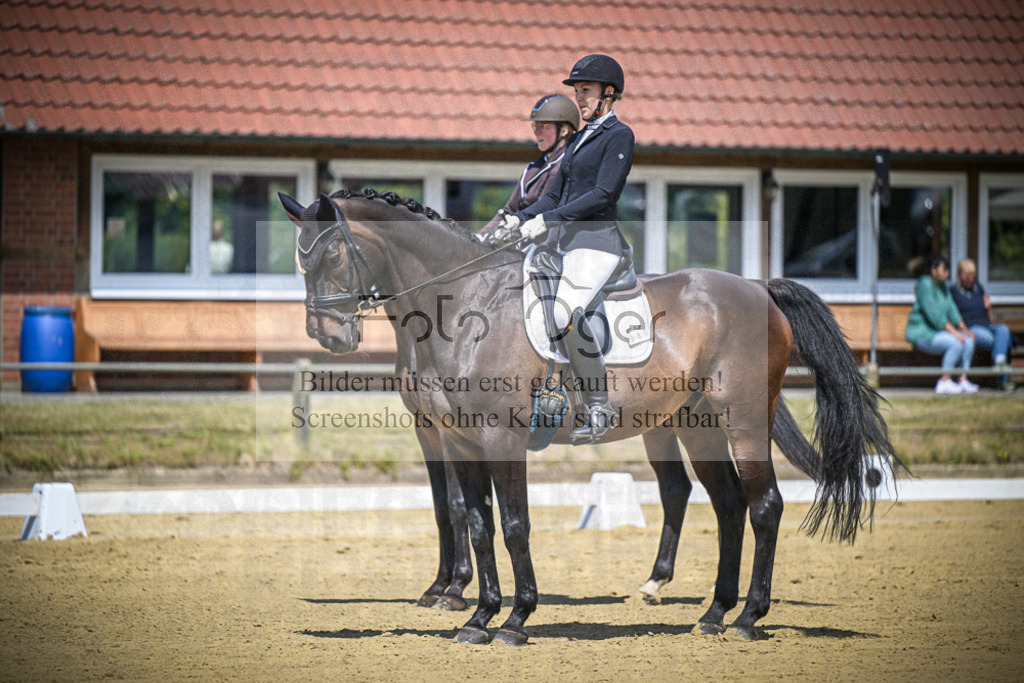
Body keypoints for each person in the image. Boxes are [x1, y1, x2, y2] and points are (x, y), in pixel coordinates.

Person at [498, 54, 635, 441]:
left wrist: (551, 220)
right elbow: (555, 195)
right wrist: (522, 218)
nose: (580, 99)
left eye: (586, 91)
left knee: (564, 314)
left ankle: (598, 407)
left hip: (598, 244)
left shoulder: (619, 136)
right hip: (565, 245)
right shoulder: (578, 140)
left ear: (609, 93)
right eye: (577, 92)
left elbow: (604, 193)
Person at [479, 94, 580, 238]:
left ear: (563, 131)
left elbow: (544, 211)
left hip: (552, 245)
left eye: (544, 126)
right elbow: (509, 210)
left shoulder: (565, 166)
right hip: (523, 244)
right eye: (535, 125)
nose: (536, 132)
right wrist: (480, 237)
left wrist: (509, 233)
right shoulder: (532, 168)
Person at [905, 255, 979, 394]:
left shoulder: (943, 287)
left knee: (968, 341)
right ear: (933, 270)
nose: (948, 273)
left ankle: (962, 380)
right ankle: (944, 381)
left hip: (937, 332)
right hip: (921, 333)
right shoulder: (925, 284)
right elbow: (935, 316)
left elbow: (952, 309)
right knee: (956, 342)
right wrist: (956, 333)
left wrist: (965, 330)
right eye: (944, 269)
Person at [951, 258, 1012, 388]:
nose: (970, 278)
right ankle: (1003, 381)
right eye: (967, 275)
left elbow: (985, 299)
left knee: (1004, 329)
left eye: (972, 275)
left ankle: (999, 361)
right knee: (997, 341)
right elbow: (951, 313)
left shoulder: (978, 287)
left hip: (987, 325)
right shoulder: (953, 291)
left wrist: (987, 302)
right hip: (970, 328)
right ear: (959, 274)